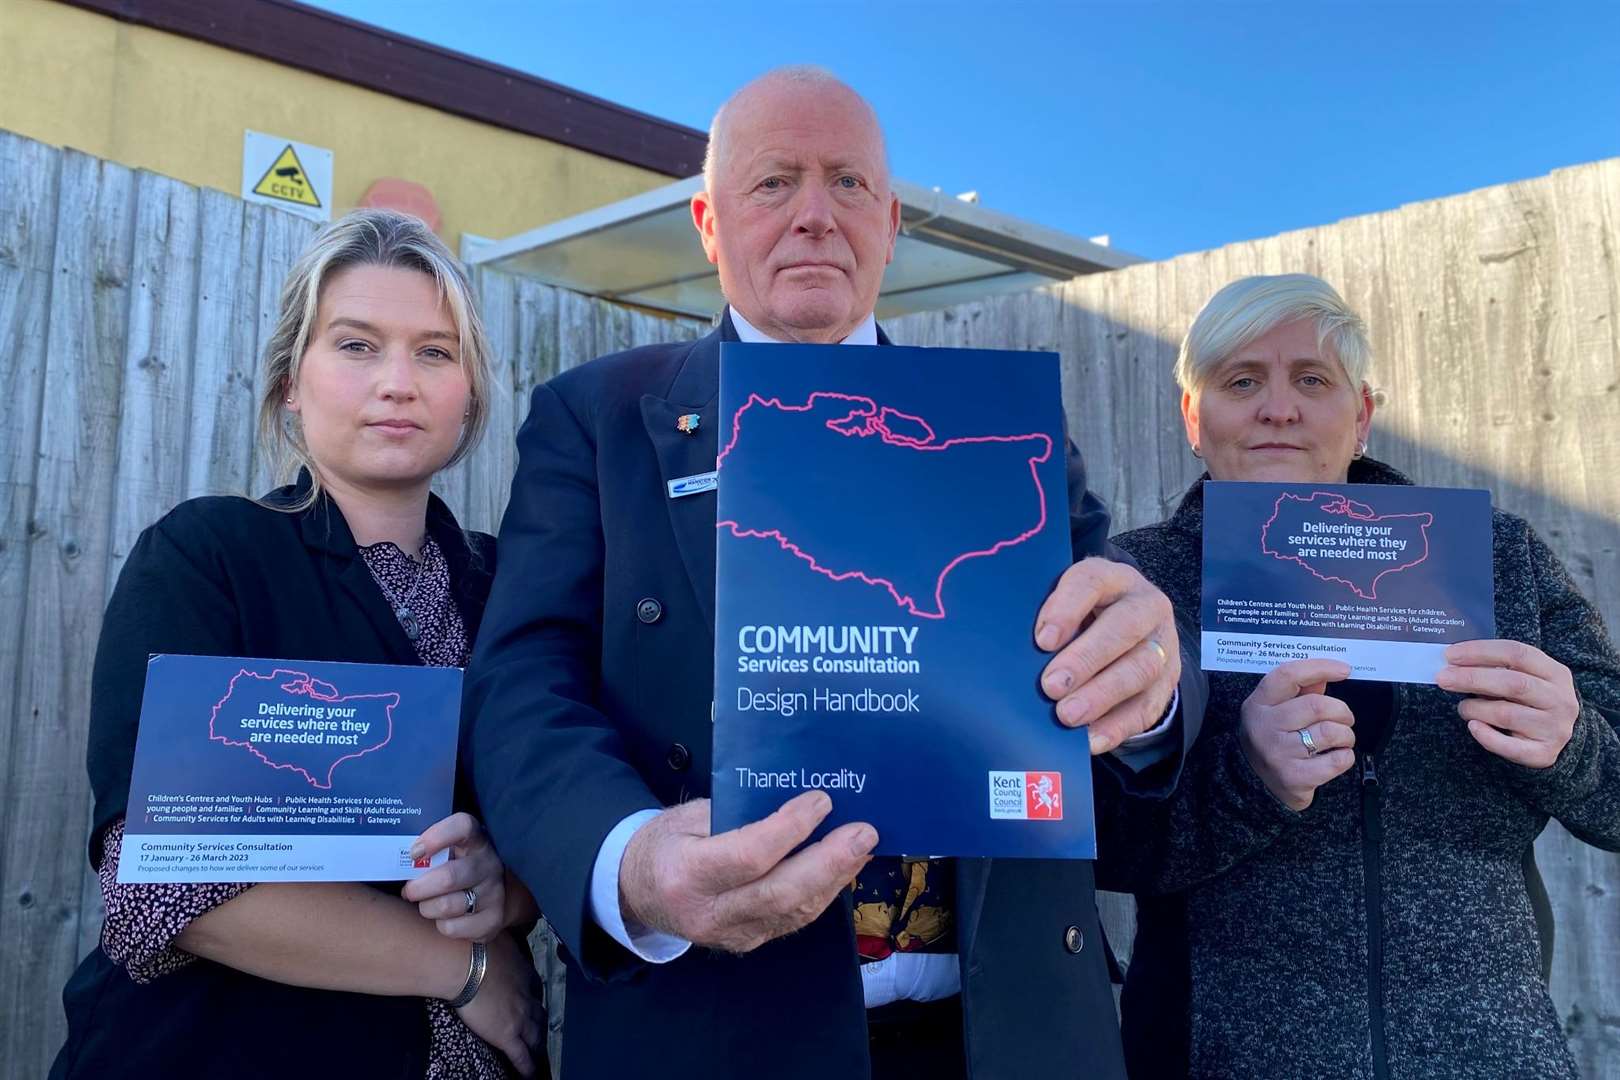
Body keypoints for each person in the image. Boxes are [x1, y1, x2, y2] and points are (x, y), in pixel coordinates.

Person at [464, 66, 1205, 1079]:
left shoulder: (1003, 431)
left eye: (848, 183)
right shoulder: (596, 422)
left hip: (1019, 1037)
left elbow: (1115, 660)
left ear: (891, 222)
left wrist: (1154, 681)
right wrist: (628, 862)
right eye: (775, 183)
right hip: (717, 1032)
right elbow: (522, 686)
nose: (816, 215)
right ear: (708, 221)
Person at [51, 210, 545, 1079]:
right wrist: (462, 968)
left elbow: (561, 812)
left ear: (469, 391)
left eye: (435, 352)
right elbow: (163, 883)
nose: (398, 382)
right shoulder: (210, 557)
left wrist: (506, 890)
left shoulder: (516, 588)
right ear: (290, 379)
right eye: (357, 345)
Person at [1111, 273, 1620, 1078]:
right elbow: (1100, 846)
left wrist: (1574, 743)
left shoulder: (1497, 557)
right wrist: (1247, 781)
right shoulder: (1135, 581)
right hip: (1219, 1057)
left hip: (1490, 1054)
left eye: (1313, 380)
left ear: (1362, 417)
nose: (1280, 408)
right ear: (1194, 419)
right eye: (1242, 381)